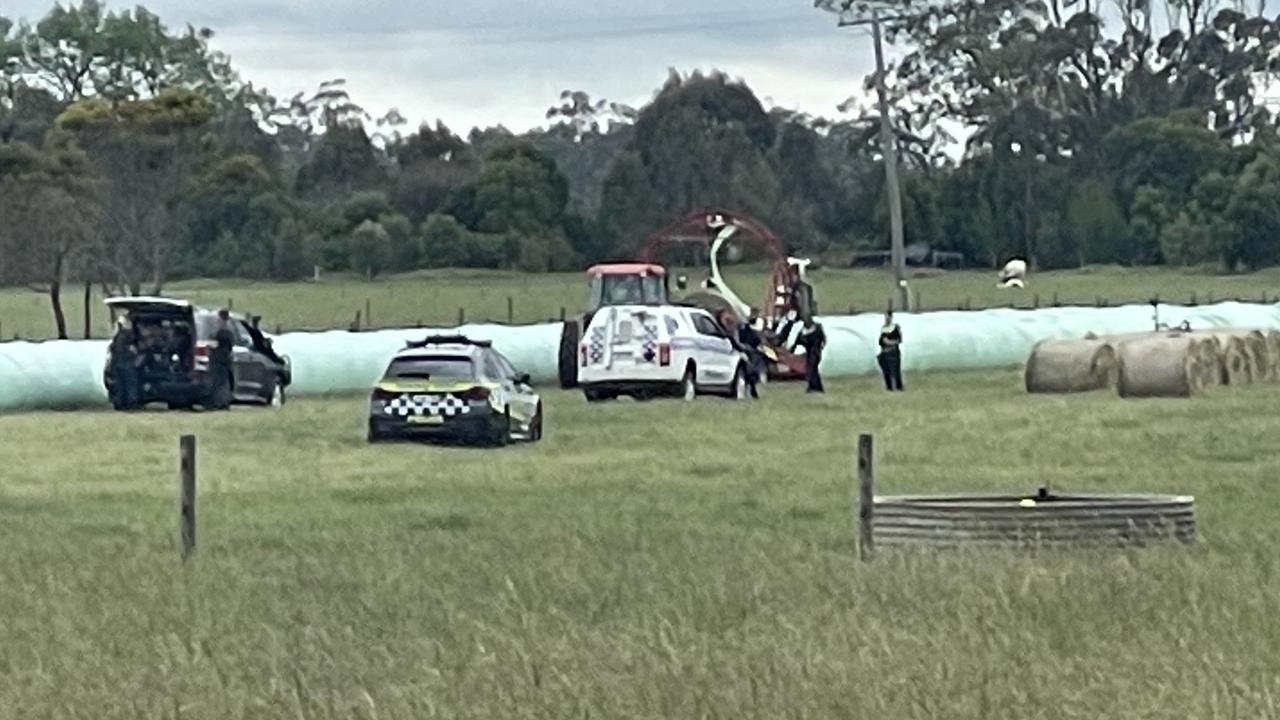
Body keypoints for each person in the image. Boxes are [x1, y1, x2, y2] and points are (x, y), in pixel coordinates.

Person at [108, 316, 140, 410]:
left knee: (120, 384)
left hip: (119, 363)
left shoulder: (118, 337)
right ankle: (129, 403)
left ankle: (120, 403)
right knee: (129, 384)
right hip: (125, 363)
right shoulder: (128, 336)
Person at [207, 309, 236, 408]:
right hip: (223, 360)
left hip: (220, 360)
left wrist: (211, 345)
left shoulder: (222, 332)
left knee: (220, 382)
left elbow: (216, 344)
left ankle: (220, 402)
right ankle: (222, 402)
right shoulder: (229, 331)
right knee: (222, 382)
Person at [797, 318, 826, 393]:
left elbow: (820, 340)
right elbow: (800, 340)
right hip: (811, 352)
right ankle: (816, 387)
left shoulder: (816, 330)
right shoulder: (806, 330)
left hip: (815, 352)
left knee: (811, 369)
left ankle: (813, 387)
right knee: (813, 370)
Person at [878, 311, 904, 391]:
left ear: (891, 317)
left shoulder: (895, 327)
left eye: (888, 317)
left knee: (896, 370)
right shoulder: (883, 328)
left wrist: (890, 342)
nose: (886, 318)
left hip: (893, 352)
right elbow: (881, 341)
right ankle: (889, 387)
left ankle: (898, 387)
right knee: (886, 371)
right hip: (884, 352)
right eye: (885, 317)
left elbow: (899, 340)